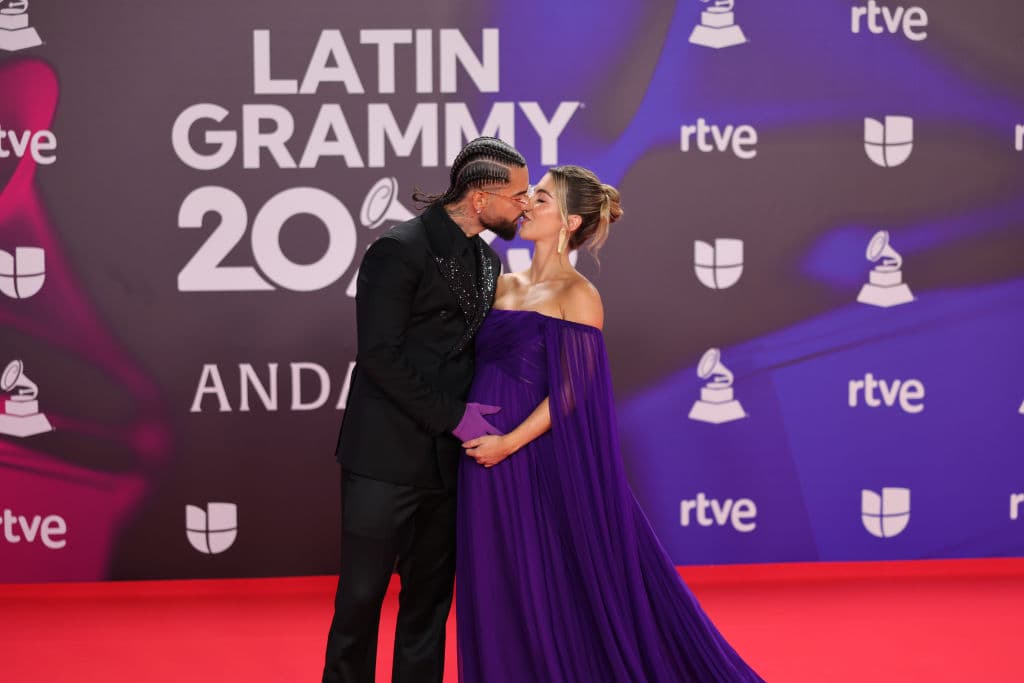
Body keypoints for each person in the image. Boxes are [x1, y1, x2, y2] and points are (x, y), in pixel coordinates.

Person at [456, 165, 765, 682]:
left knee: (549, 578)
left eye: (542, 199)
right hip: (480, 454)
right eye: (530, 195)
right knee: (496, 579)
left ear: (570, 222)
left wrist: (509, 443)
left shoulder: (578, 295)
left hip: (532, 456)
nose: (527, 204)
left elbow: (574, 388)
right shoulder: (499, 284)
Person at [323, 136, 530, 683]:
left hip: (447, 463)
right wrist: (454, 416)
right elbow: (379, 356)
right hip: (384, 458)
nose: (525, 204)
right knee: (360, 601)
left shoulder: (487, 260)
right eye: (518, 194)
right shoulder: (399, 249)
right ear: (481, 197)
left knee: (430, 604)